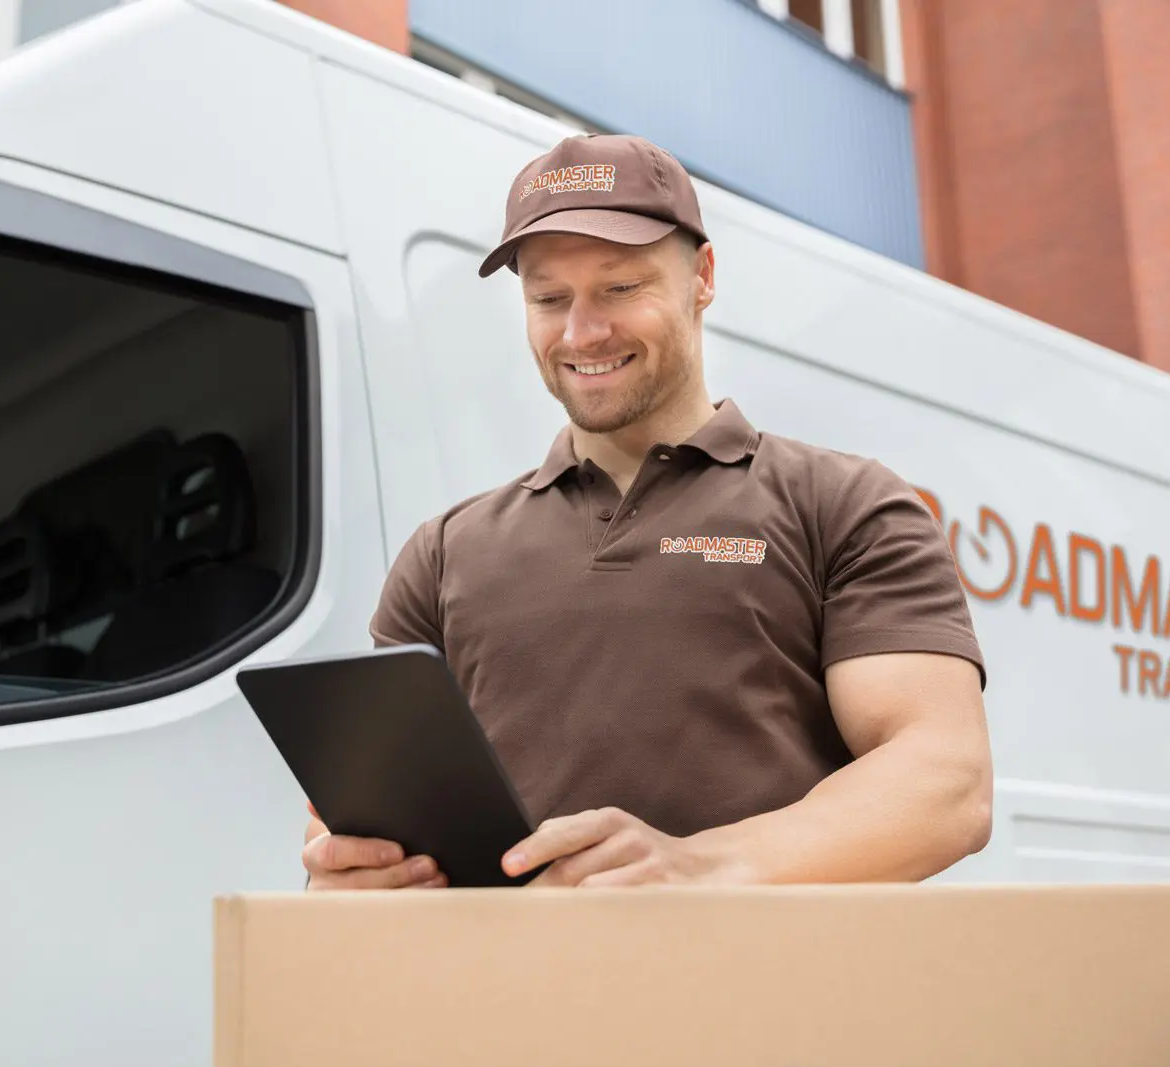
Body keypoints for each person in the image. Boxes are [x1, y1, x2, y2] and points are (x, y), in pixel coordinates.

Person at [303, 133, 992, 890]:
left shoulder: (845, 506)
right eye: (548, 298)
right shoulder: (444, 551)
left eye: (621, 288)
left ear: (703, 277)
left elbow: (945, 783)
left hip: (765, 1003)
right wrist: (349, 873)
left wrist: (695, 867)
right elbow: (363, 811)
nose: (581, 332)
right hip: (509, 1002)